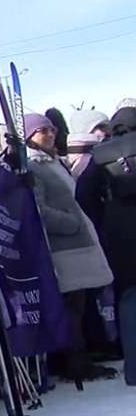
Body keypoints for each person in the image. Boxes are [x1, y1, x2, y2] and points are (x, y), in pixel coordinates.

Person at [22, 113, 117, 386]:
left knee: (78, 304)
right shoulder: (34, 165)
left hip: (76, 245)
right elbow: (38, 210)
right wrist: (71, 223)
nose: (49, 134)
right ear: (29, 136)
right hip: (63, 248)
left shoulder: (53, 162)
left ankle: (83, 357)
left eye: (50, 129)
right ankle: (76, 364)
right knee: (70, 308)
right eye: (41, 131)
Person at [93, 106, 136, 385]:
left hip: (119, 230)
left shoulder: (100, 154)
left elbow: (84, 195)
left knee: (129, 299)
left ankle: (133, 369)